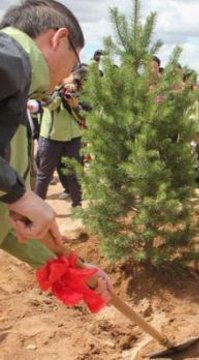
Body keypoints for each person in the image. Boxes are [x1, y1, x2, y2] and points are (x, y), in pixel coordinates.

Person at [0, 0, 111, 301]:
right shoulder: (10, 59)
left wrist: (73, 267)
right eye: (73, 64)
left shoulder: (17, 88)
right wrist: (18, 194)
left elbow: (8, 224)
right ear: (59, 38)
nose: (67, 78)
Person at [34, 67, 86, 209]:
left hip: (73, 138)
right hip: (51, 137)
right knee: (44, 175)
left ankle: (78, 206)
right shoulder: (50, 86)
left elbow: (85, 116)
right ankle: (37, 208)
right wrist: (60, 89)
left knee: (74, 173)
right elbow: (50, 105)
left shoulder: (81, 91)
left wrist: (75, 104)